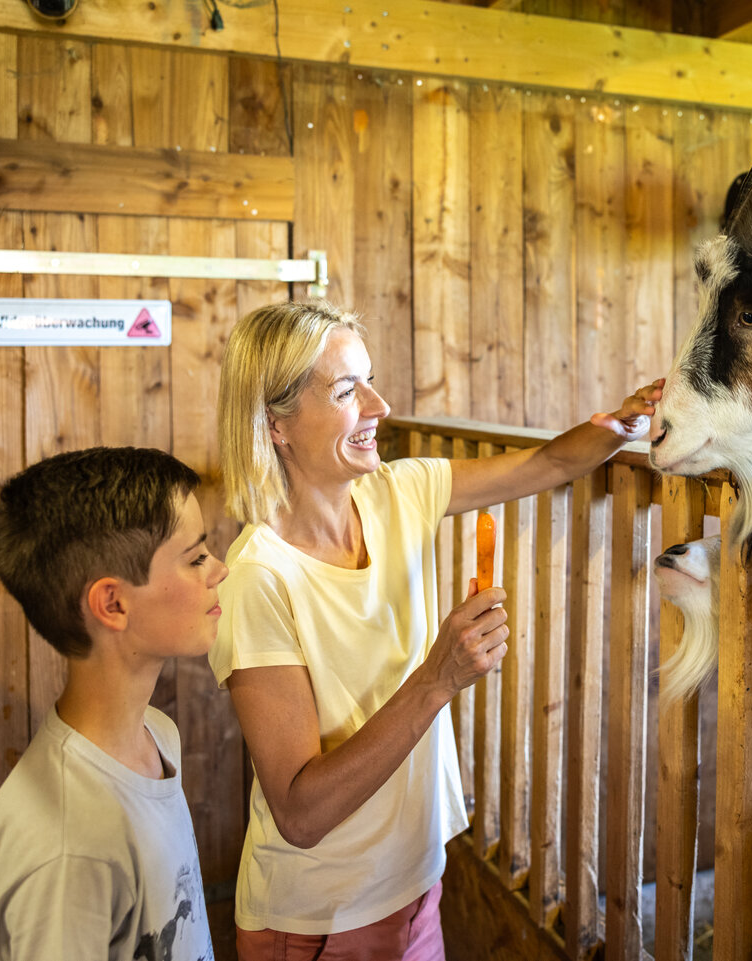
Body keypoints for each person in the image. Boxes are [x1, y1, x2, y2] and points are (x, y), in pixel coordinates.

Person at [211, 301, 660, 959]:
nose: (380, 404)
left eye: (368, 379)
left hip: (416, 884)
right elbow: (300, 814)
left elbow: (548, 466)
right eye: (346, 390)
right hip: (319, 919)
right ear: (276, 424)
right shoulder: (257, 579)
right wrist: (438, 678)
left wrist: (627, 420)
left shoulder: (400, 491)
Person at [0, 446, 229, 961]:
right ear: (112, 603)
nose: (218, 569)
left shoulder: (156, 735)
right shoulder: (68, 849)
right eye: (196, 556)